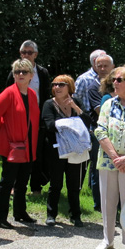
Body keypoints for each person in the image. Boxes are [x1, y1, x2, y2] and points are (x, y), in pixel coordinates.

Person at [94, 64, 125, 249]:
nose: (114, 82)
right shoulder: (108, 104)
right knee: (107, 201)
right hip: (108, 161)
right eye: (114, 79)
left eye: (119, 79)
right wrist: (115, 157)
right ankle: (107, 239)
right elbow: (100, 130)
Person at [0, 59, 40, 229]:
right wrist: (5, 135)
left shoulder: (32, 94)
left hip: (28, 147)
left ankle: (20, 213)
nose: (20, 74)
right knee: (7, 182)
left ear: (31, 76)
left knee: (22, 182)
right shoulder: (8, 93)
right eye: (17, 72)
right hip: (11, 146)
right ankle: (0, 217)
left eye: (24, 72)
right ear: (13, 75)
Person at [41, 75, 91, 227]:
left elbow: (87, 123)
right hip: (57, 150)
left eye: (61, 84)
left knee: (74, 185)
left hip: (76, 150)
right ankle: (51, 215)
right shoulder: (49, 104)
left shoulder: (76, 103)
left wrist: (76, 109)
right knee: (55, 184)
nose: (57, 87)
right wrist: (73, 124)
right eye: (55, 84)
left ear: (69, 87)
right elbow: (49, 125)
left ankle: (75, 215)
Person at [5, 40, 50, 194]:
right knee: (17, 150)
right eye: (23, 52)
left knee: (35, 152)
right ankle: (15, 185)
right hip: (17, 119)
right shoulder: (13, 73)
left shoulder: (42, 72)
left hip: (36, 118)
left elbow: (45, 96)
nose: (25, 55)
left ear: (35, 55)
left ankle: (36, 187)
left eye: (29, 52)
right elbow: (7, 94)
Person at [74, 49, 107, 211]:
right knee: (94, 165)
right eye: (100, 64)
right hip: (90, 127)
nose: (103, 67)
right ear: (94, 63)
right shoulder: (84, 80)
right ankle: (97, 203)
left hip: (108, 129)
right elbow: (76, 102)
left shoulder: (113, 80)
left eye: (106, 64)